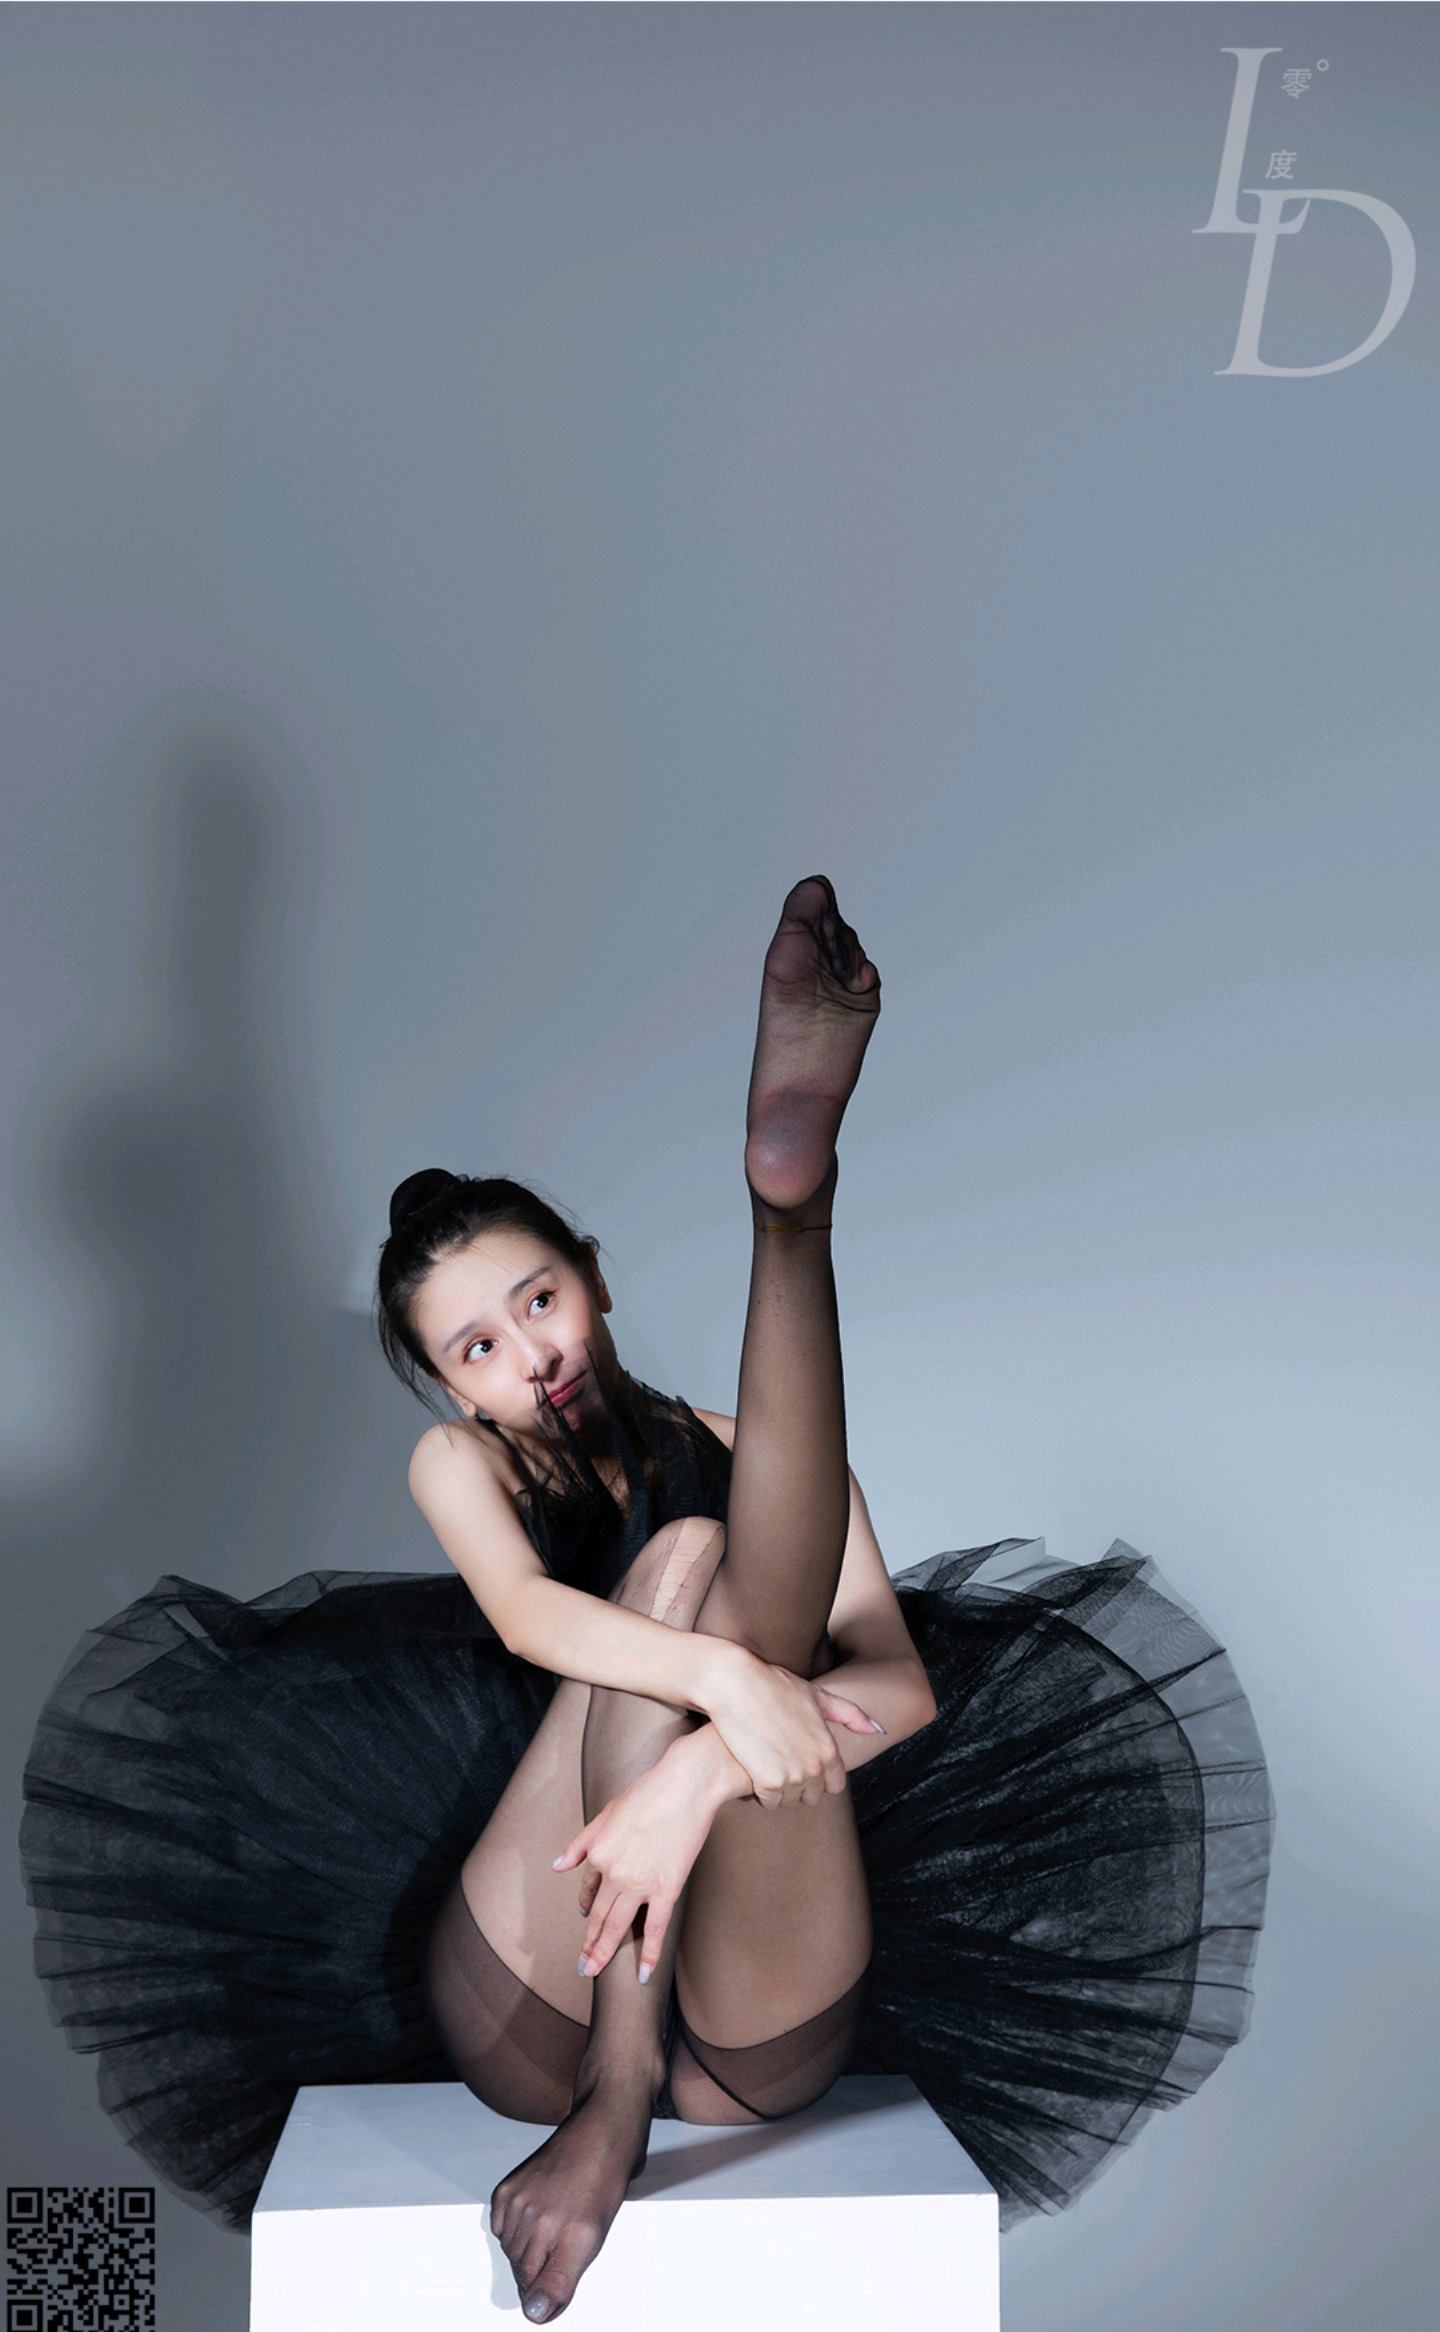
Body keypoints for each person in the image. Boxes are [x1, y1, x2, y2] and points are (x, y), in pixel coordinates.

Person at [20, 876, 1275, 2327]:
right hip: (539, 1984)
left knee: (748, 1537)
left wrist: (700, 1775)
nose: (529, 1355)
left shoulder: (767, 1465)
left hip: (750, 1997)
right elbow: (530, 1619)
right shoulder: (462, 1466)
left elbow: (904, 1689)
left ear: (598, 1284)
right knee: (684, 1563)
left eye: (539, 1300)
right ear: (453, 1393)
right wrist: (731, 1683)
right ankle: (615, 2086)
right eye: (478, 1349)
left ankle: (792, 1205)